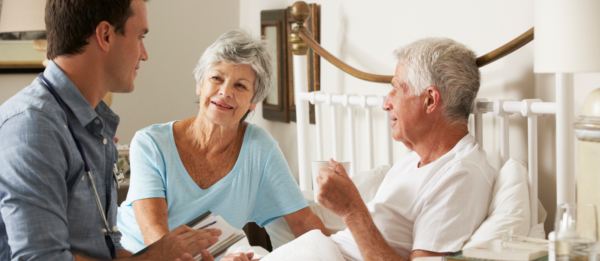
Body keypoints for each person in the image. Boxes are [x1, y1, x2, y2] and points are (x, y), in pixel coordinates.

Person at [220, 37, 497, 261]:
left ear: (430, 100)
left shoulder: (461, 175)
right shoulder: (410, 163)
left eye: (397, 89)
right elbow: (350, 247)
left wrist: (352, 209)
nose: (385, 103)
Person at [0, 0, 222, 260]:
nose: (144, 54)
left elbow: (107, 250)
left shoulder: (94, 126)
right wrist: (152, 257)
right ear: (105, 35)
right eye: (140, 37)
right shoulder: (33, 127)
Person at [116, 29, 328, 257]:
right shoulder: (150, 143)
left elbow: (304, 223)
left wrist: (339, 254)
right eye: (216, 78)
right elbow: (156, 238)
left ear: (253, 102)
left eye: (240, 86)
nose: (225, 92)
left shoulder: (260, 148)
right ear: (199, 85)